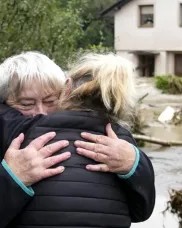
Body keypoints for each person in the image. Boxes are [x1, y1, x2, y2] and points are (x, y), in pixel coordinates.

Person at [0, 51, 155, 228]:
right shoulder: (7, 134)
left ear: (65, 92)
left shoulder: (115, 142)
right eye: (26, 104)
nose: (41, 112)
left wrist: (134, 163)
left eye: (51, 101)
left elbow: (141, 210)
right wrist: (10, 179)